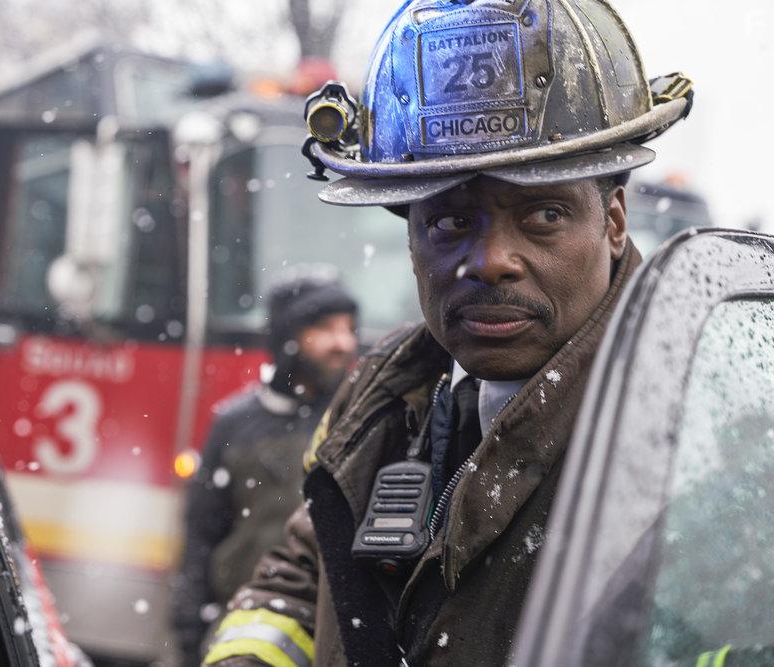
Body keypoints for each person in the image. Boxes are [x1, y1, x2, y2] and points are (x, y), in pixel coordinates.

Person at [202, 1, 695, 665]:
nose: (492, 260)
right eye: (448, 223)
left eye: (543, 213)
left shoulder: (689, 431)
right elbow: (302, 573)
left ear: (613, 221)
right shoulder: (378, 401)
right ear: (409, 242)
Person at [172, 274, 359, 667]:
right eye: (325, 328)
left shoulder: (357, 420)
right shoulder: (234, 423)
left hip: (329, 640)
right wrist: (189, 633)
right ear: (288, 337)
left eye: (349, 329)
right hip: (244, 639)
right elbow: (201, 536)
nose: (343, 343)